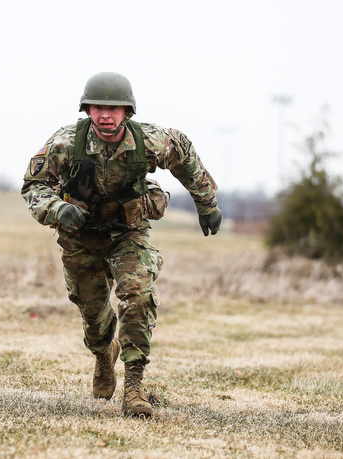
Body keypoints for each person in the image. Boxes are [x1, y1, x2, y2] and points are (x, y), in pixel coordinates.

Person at [21, 72, 221, 417]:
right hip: (81, 236)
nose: (105, 115)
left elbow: (185, 155)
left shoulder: (149, 141)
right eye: (98, 107)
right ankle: (103, 353)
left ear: (127, 111)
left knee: (138, 293)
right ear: (87, 110)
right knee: (93, 316)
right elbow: (34, 187)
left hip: (128, 233)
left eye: (114, 108)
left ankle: (134, 386)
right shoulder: (66, 142)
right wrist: (59, 209)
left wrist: (207, 204)